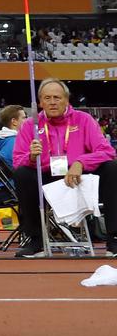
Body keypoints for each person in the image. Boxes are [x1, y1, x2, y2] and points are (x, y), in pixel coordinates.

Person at [11, 79, 117, 258]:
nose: (52, 102)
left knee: (112, 167)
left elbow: (107, 151)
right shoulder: (30, 125)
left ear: (67, 100)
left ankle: (114, 239)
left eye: (57, 97)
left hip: (78, 176)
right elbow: (17, 161)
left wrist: (81, 162)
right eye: (47, 98)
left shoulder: (83, 119)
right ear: (40, 102)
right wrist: (31, 157)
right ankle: (35, 241)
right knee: (22, 174)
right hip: (46, 175)